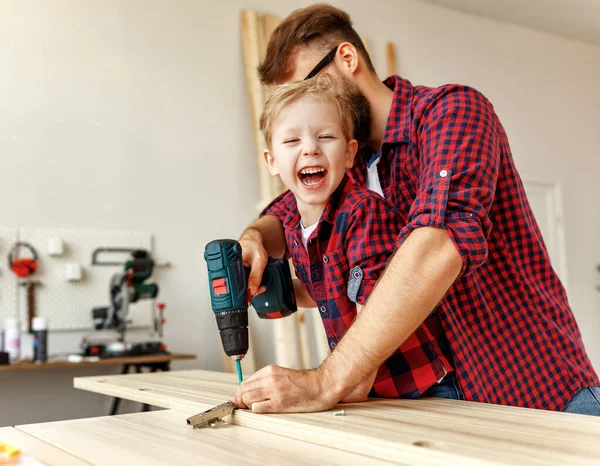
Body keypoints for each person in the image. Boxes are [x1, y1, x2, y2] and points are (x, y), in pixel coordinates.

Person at [233, 3, 600, 415]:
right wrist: (252, 240)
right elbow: (281, 213)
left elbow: (437, 247)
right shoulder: (344, 171)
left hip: (542, 395)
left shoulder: (451, 112)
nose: (303, 107)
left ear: (347, 59)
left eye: (306, 88)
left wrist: (326, 382)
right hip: (446, 410)